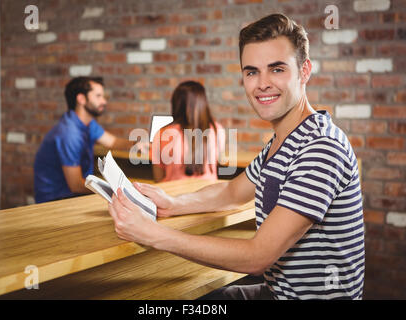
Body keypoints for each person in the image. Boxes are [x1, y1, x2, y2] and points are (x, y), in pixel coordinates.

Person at [107, 13, 365, 300]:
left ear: (305, 71)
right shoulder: (282, 141)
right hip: (278, 292)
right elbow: (230, 192)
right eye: (252, 71)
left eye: (277, 69)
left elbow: (257, 257)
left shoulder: (320, 147)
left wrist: (153, 234)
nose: (262, 83)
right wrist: (173, 204)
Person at [34, 76, 145, 203]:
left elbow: (113, 142)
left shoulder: (88, 124)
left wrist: (136, 144)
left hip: (74, 194)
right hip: (56, 200)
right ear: (81, 99)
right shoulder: (69, 133)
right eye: (98, 96)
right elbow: (75, 185)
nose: (104, 101)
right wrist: (116, 189)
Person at [150, 81, 225, 182]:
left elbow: (158, 179)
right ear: (203, 103)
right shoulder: (218, 130)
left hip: (173, 195)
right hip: (208, 194)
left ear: (176, 104)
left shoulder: (163, 134)